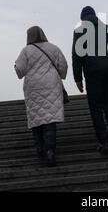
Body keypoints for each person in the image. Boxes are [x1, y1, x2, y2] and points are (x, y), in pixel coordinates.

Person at [72, 6, 108, 155]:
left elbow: (77, 56)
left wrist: (78, 78)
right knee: (107, 98)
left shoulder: (79, 32)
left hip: (93, 71)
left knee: (95, 105)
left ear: (82, 19)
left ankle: (104, 140)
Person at [15, 26, 68, 167]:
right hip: (52, 85)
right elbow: (63, 67)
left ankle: (40, 149)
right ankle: (50, 151)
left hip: (33, 88)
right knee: (50, 120)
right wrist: (61, 76)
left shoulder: (25, 51)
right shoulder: (53, 48)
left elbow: (20, 71)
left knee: (37, 117)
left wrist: (16, 67)